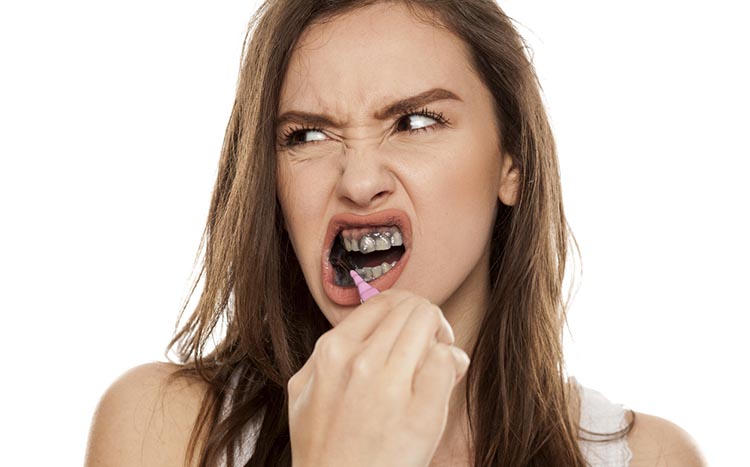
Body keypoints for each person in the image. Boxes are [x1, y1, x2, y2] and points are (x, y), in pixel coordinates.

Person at [84, 1, 708, 466]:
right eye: (307, 135)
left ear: (512, 163)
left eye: (415, 121)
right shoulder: (163, 431)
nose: (358, 181)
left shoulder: (650, 458)